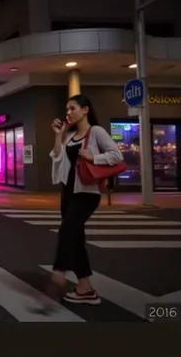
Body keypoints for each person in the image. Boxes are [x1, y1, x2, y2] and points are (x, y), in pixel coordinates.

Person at [47, 94, 124, 305]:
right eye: (67, 109)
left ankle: (59, 273)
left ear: (85, 110)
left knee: (67, 230)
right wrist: (58, 135)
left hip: (86, 193)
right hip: (68, 192)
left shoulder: (96, 132)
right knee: (76, 238)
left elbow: (117, 156)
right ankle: (85, 288)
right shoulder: (70, 136)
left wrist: (93, 157)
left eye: (72, 108)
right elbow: (56, 157)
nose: (68, 113)